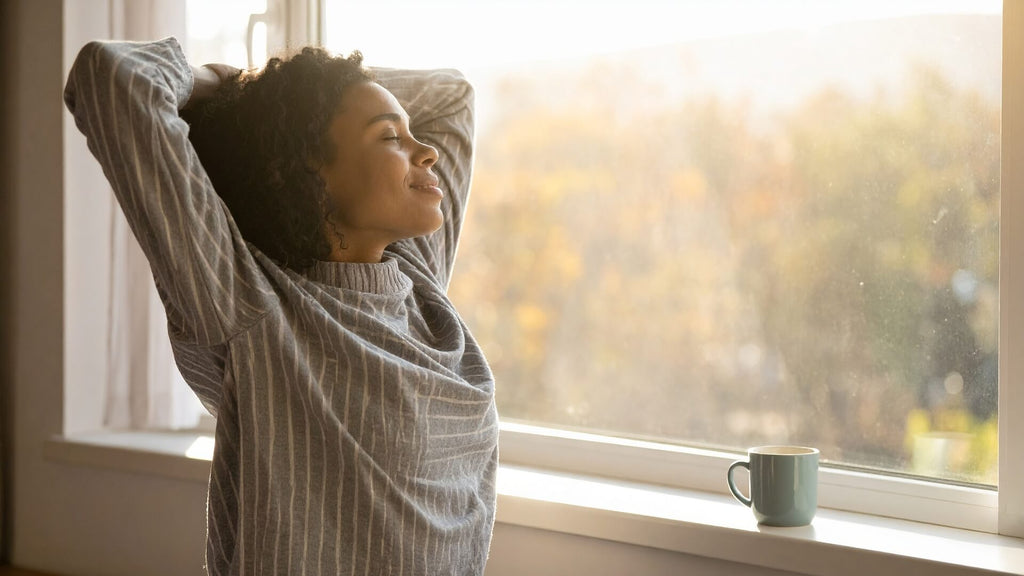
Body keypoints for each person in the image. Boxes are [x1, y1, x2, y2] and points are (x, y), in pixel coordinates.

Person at [64, 37, 497, 576]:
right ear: (306, 172)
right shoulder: (254, 306)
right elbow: (114, 76)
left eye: (412, 134)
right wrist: (250, 101)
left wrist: (281, 94)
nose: (426, 150)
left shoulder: (417, 278)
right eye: (391, 136)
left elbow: (451, 97)